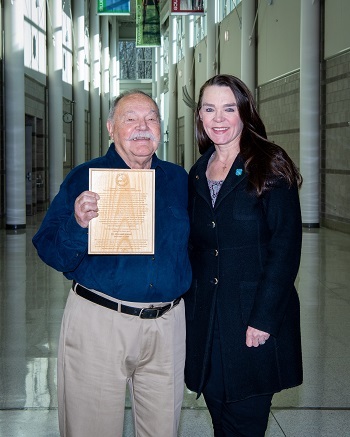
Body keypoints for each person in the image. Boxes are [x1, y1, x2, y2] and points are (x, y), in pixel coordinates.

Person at [32, 90, 191, 437]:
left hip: (167, 326)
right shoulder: (86, 177)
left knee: (163, 429)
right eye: (130, 118)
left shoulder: (178, 180)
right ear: (111, 128)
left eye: (151, 118)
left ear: (161, 128)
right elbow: (48, 248)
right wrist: (77, 223)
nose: (142, 126)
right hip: (101, 321)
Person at [184, 74, 303, 437]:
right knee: (220, 413)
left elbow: (286, 247)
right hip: (208, 321)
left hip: (253, 320)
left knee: (245, 420)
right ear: (200, 117)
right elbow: (194, 245)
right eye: (209, 109)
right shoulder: (197, 172)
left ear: (244, 113)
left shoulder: (269, 163)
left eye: (228, 108)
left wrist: (264, 319)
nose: (218, 118)